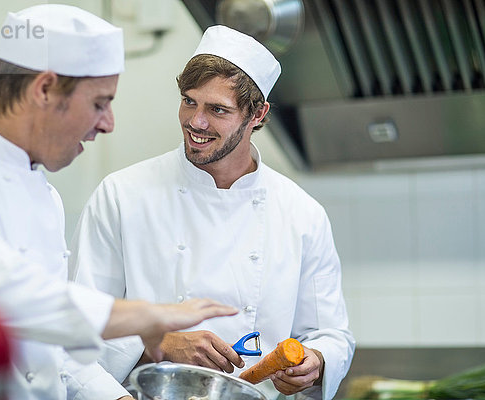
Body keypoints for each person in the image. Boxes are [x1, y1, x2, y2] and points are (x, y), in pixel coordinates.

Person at [0, 6, 238, 400]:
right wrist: (147, 316)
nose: (108, 123)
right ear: (43, 89)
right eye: (99, 103)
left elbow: (54, 350)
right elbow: (8, 297)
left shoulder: (46, 195)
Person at [69, 25, 356, 400]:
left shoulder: (302, 213)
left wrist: (315, 362)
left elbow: (330, 335)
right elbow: (75, 326)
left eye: (217, 109)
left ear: (258, 114)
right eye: (189, 101)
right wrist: (158, 342)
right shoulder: (123, 195)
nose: (196, 122)